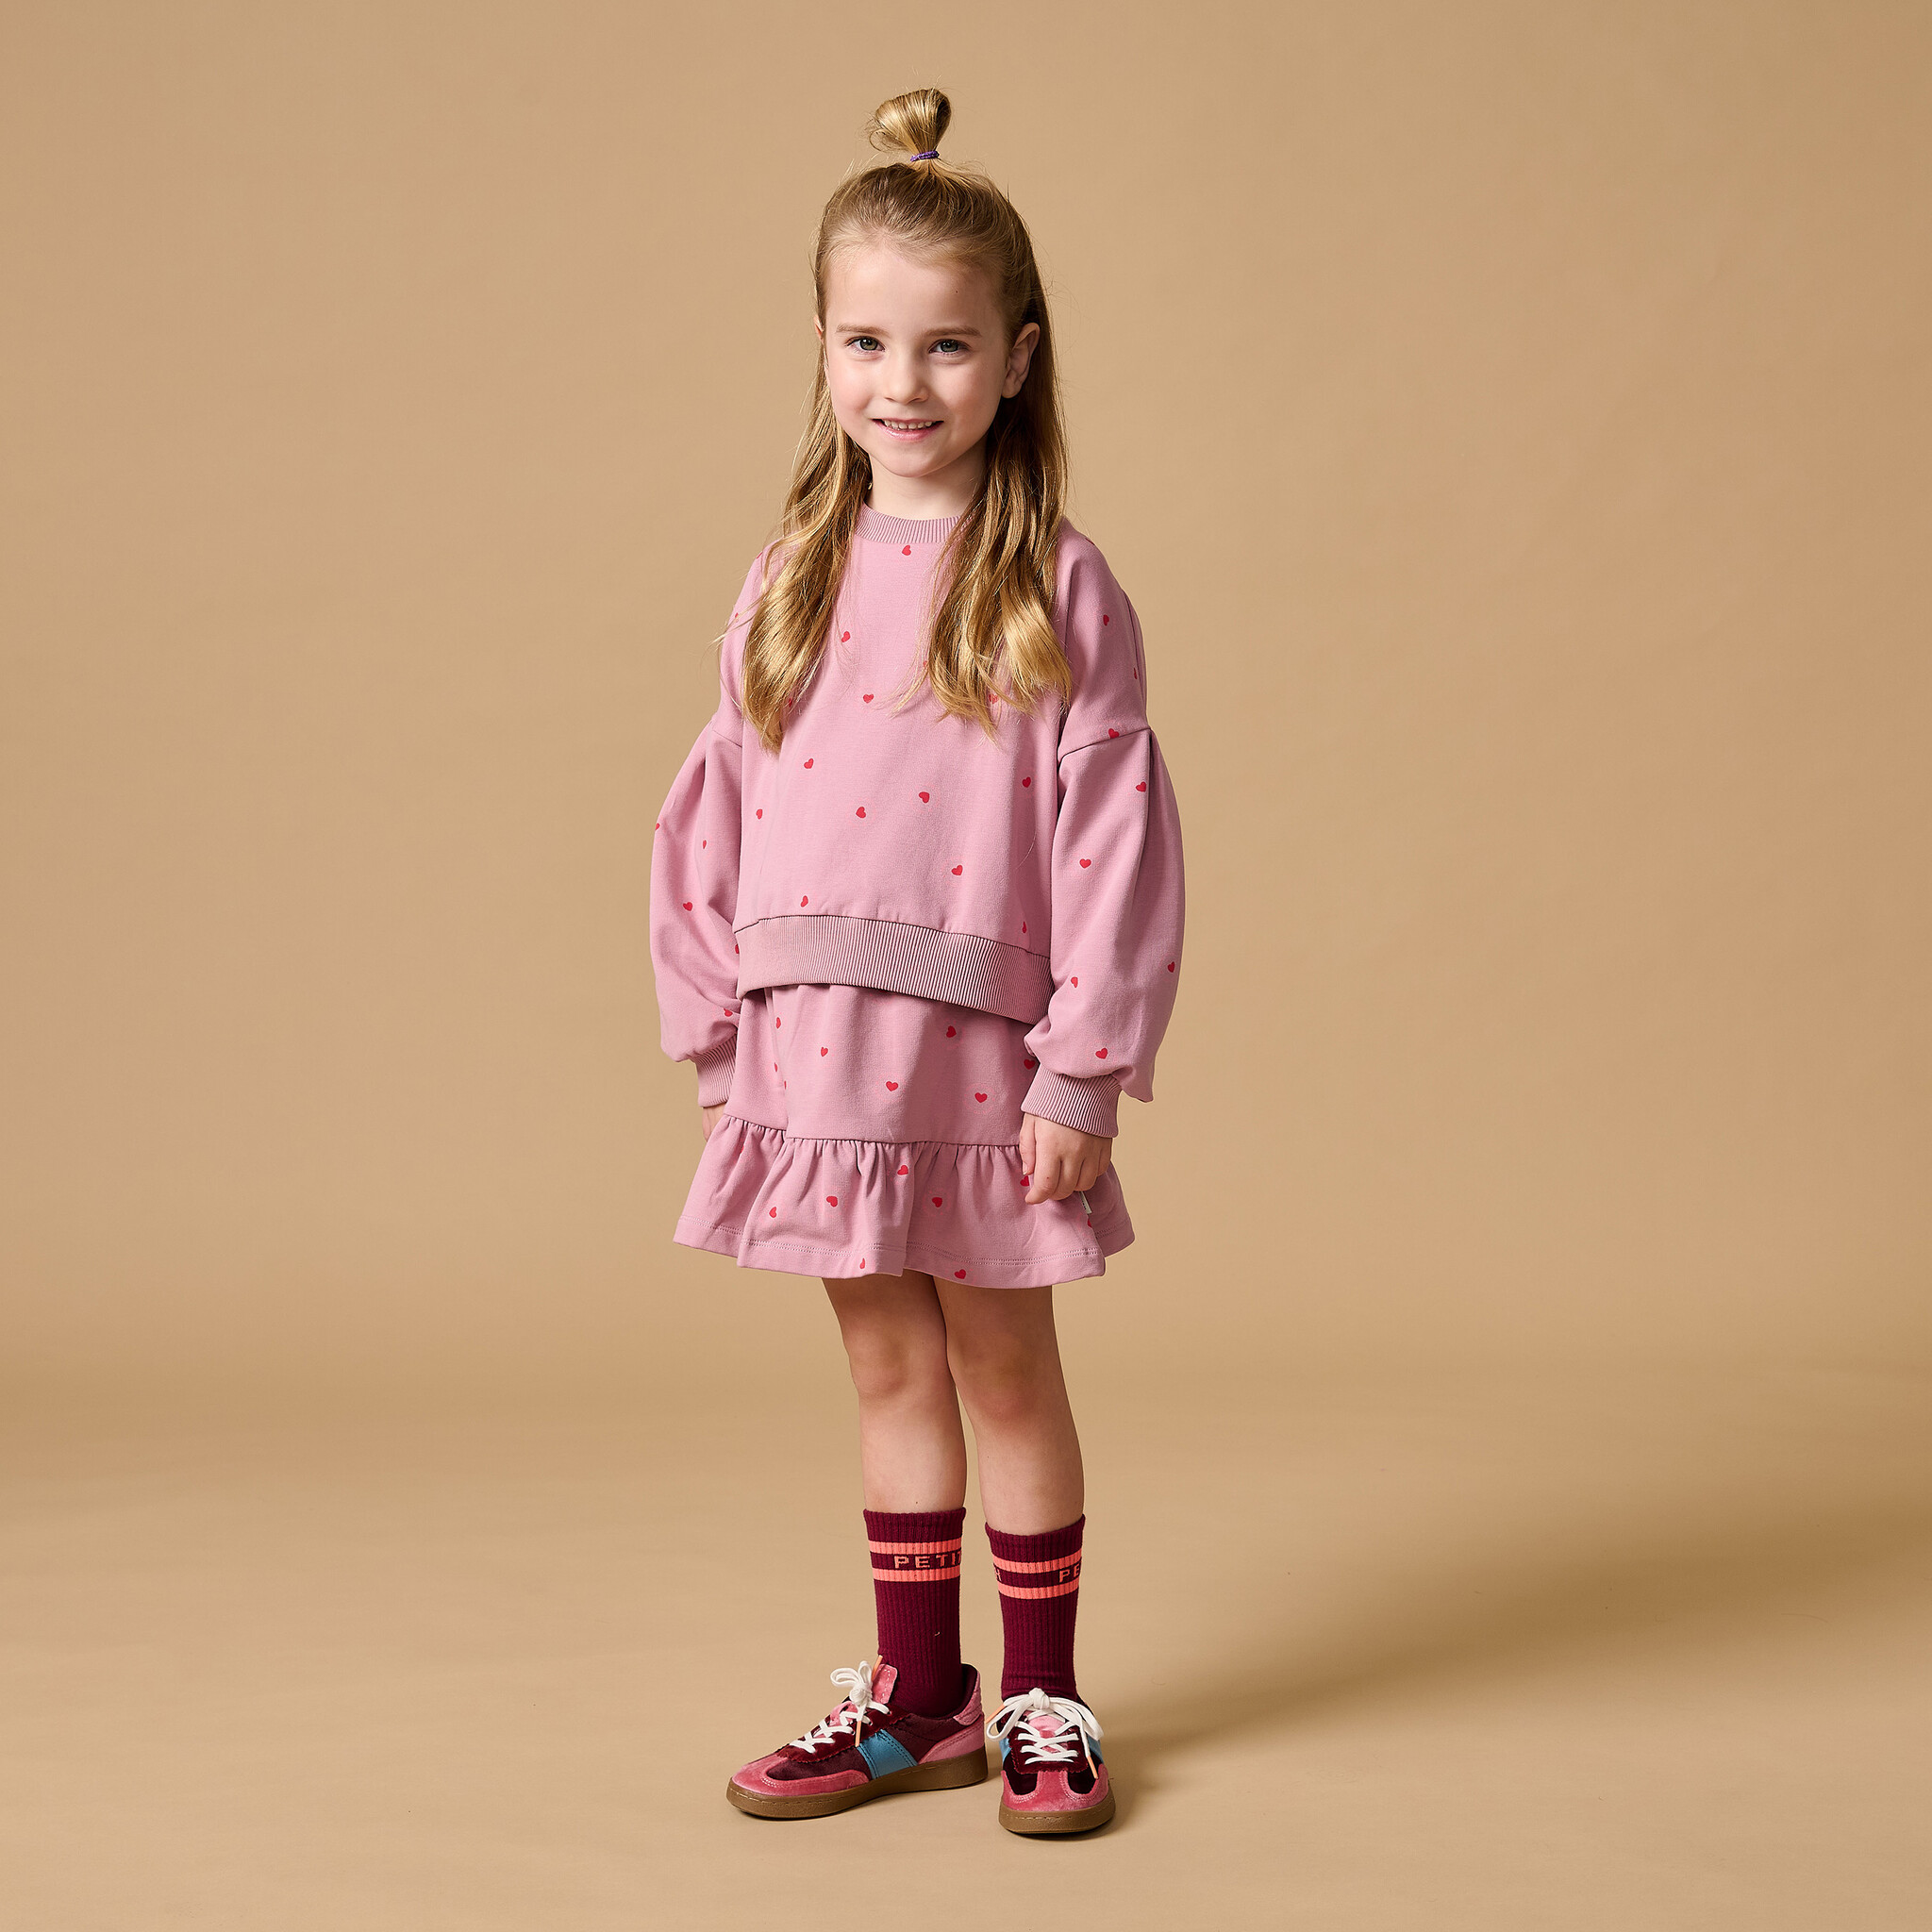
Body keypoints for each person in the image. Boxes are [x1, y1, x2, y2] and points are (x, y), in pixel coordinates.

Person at [648, 88, 1184, 1837]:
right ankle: (918, 1699)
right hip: (814, 1045)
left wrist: (1083, 1068)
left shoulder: (1054, 586)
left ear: (1017, 360)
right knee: (888, 1373)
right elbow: (717, 809)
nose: (904, 382)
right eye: (867, 342)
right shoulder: (787, 579)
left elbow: (1113, 836)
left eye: (946, 345)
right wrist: (719, 1034)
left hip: (985, 1061)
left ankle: (1041, 1701)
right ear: (822, 350)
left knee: (1005, 1367)